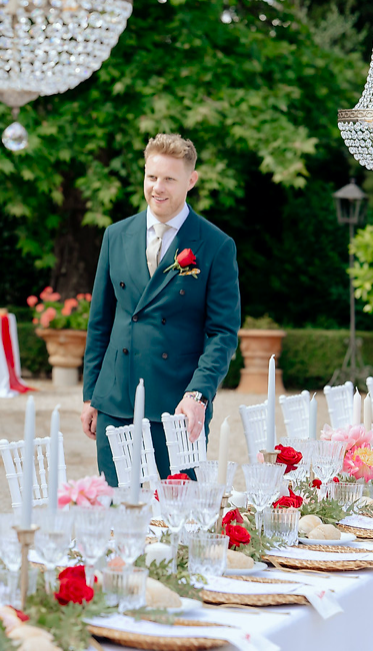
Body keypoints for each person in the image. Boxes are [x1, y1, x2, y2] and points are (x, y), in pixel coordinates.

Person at [80, 134, 240, 485]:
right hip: (116, 402)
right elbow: (100, 323)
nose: (158, 187)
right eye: (152, 177)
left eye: (169, 178)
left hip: (178, 407)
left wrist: (198, 395)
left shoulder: (215, 245)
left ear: (191, 181)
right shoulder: (116, 235)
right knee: (117, 514)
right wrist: (92, 394)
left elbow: (223, 334)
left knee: (176, 520)